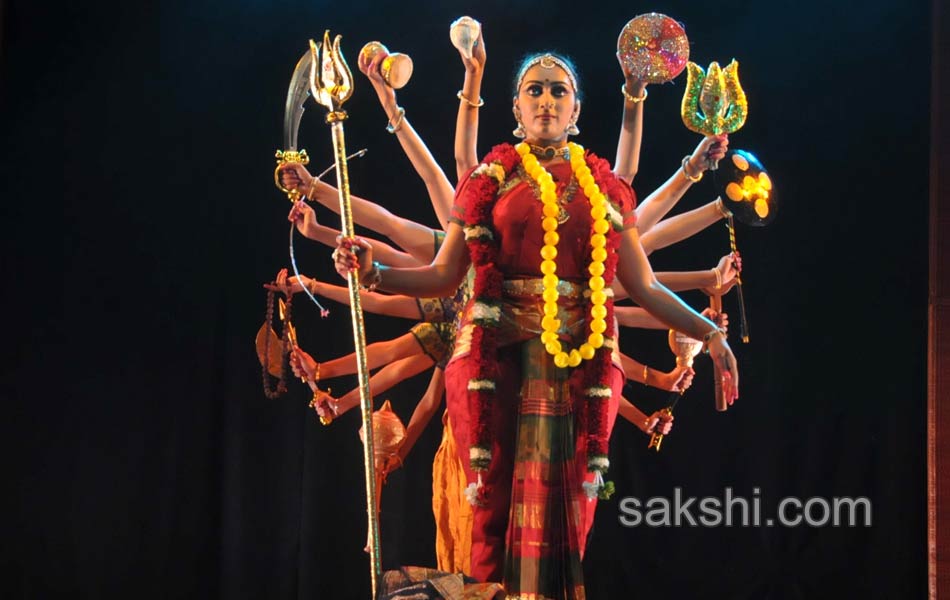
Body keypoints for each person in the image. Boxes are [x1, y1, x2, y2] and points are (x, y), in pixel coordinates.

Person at [329, 51, 739, 599]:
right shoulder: (488, 180)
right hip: (497, 361)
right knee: (493, 506)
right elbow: (444, 274)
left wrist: (711, 336)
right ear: (517, 108)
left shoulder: (605, 190)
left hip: (580, 364)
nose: (547, 99)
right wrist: (374, 272)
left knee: (571, 511)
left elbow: (645, 287)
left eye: (559, 90)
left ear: (576, 111)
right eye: (535, 89)